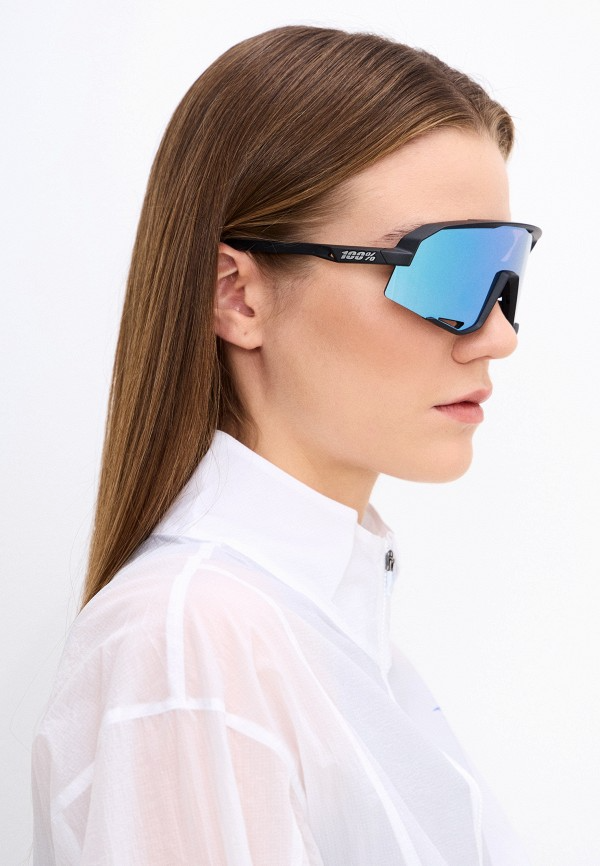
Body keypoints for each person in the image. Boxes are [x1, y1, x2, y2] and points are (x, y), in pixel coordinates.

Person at [31, 24, 542, 866]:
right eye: (448, 273)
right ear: (237, 295)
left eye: (506, 274)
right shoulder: (195, 644)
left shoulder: (326, 637)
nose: (498, 336)